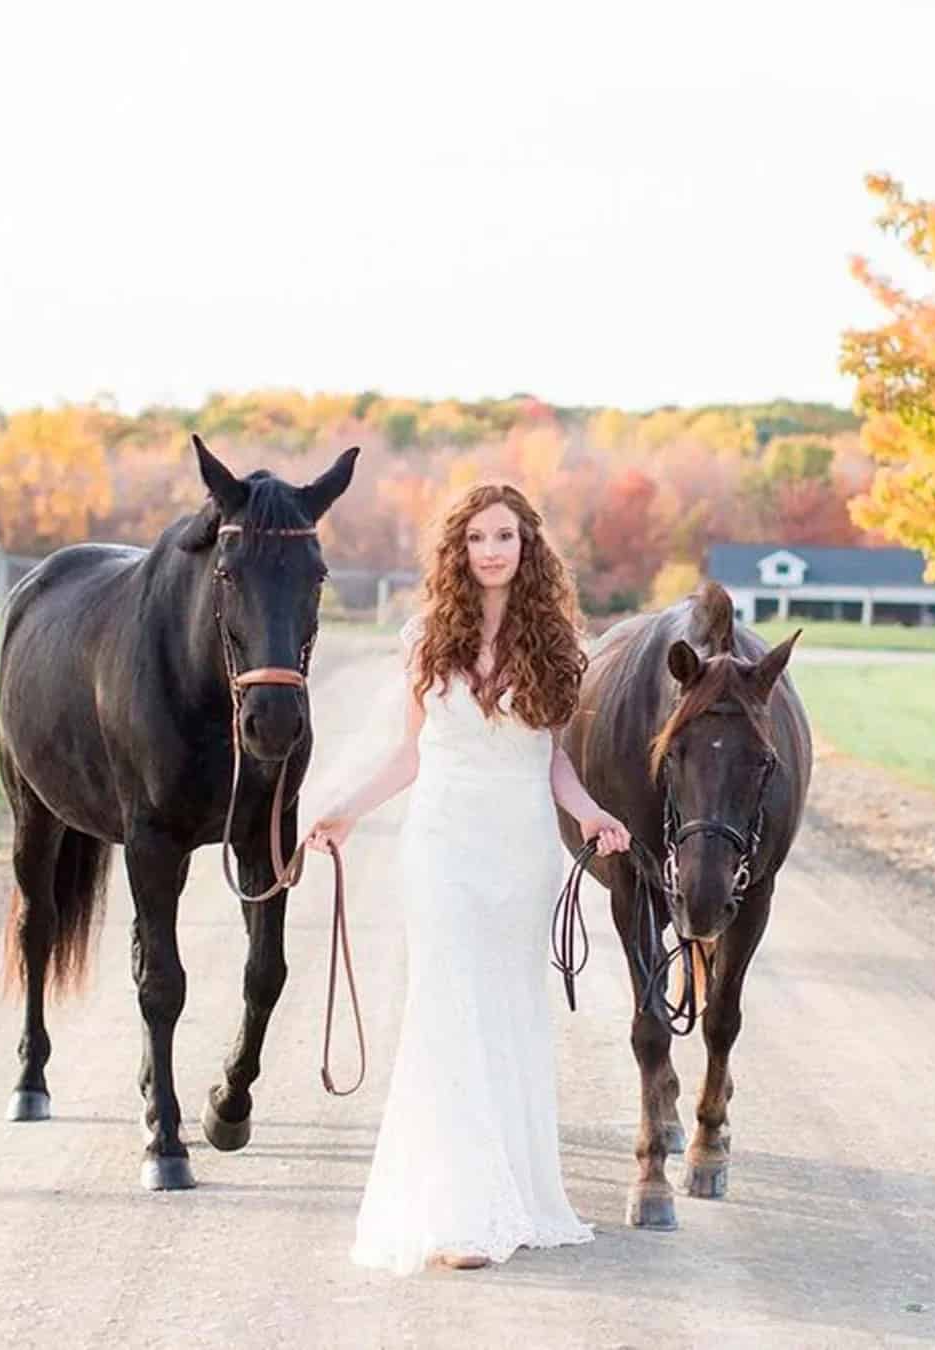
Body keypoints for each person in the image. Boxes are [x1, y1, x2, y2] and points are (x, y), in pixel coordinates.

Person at [306, 482, 631, 1276]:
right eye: (479, 537)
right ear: (459, 550)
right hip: (444, 848)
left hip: (520, 851)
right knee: (446, 1010)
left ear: (528, 549)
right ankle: (453, 1211)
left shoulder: (555, 640)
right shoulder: (425, 638)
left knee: (509, 1013)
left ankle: (508, 1192)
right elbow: (411, 753)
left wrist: (593, 816)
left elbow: (552, 761)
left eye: (507, 537)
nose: (492, 550)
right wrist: (345, 809)